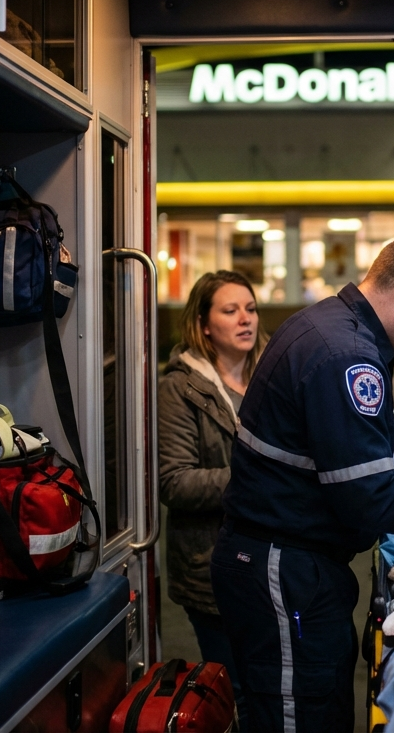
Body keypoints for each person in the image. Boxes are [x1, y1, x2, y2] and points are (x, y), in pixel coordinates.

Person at [209, 231, 394, 733]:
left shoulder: (329, 327)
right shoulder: (348, 357)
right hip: (285, 568)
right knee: (302, 718)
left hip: (290, 562)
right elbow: (369, 502)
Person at [158, 270, 266, 714]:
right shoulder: (180, 387)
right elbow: (175, 482)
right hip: (211, 566)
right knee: (236, 691)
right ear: (204, 324)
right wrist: (258, 478)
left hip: (273, 560)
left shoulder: (273, 374)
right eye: (230, 310)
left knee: (271, 687)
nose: (246, 319)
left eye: (251, 308)